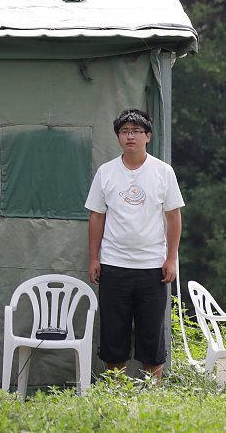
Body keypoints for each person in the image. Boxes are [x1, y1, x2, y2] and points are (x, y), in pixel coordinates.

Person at [85, 108, 184, 382]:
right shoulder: (106, 172)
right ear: (118, 137)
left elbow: (174, 216)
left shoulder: (163, 172)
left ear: (148, 136)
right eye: (125, 131)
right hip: (113, 265)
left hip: (153, 267)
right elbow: (96, 216)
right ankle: (118, 395)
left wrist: (171, 258)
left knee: (151, 334)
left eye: (136, 131)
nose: (130, 136)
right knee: (113, 333)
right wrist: (94, 258)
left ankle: (151, 395)